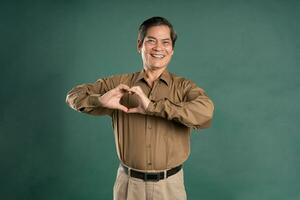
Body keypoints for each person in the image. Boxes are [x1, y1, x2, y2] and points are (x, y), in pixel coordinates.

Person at [65, 16, 214, 200]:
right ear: (139, 45)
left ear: (172, 49)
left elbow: (205, 112)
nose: (158, 48)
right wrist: (100, 101)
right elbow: (73, 96)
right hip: (128, 186)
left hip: (170, 187)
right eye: (151, 41)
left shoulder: (184, 87)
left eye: (165, 42)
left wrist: (153, 107)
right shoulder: (118, 85)